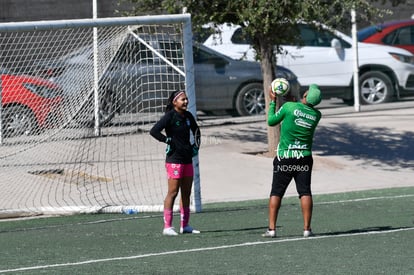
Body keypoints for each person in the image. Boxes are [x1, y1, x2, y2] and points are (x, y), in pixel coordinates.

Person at [263, 84, 322, 238]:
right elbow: (300, 111)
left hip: (286, 158)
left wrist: (272, 102)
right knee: (305, 192)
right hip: (304, 158)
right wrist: (294, 102)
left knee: (276, 192)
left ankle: (272, 229)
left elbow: (271, 121)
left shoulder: (289, 107)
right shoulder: (317, 115)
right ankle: (307, 229)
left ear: (305, 97)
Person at [150, 90, 200, 236]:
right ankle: (167, 226)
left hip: (187, 159)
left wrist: (196, 146)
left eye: (186, 99)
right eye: (182, 100)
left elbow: (197, 131)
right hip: (174, 160)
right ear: (174, 102)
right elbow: (154, 131)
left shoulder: (188, 116)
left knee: (186, 193)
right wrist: (166, 140)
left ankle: (185, 225)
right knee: (173, 192)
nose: (186, 102)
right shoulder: (170, 116)